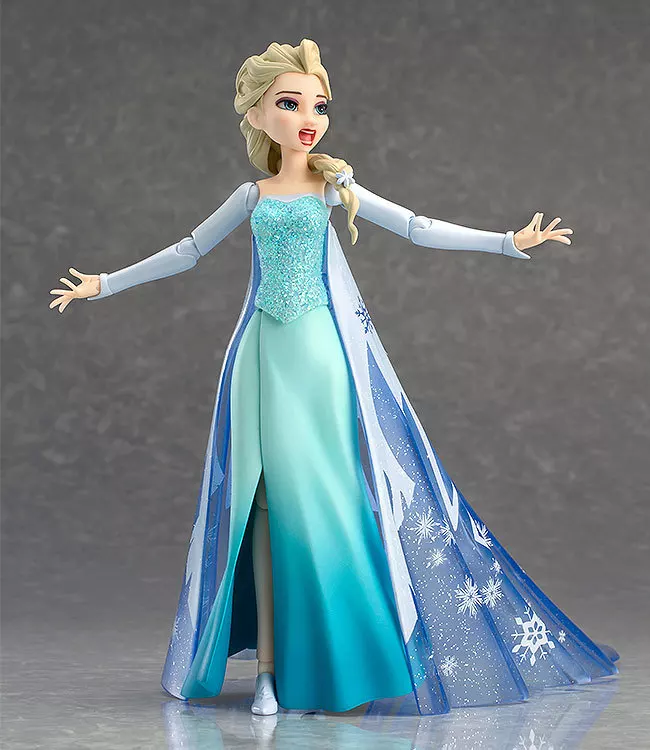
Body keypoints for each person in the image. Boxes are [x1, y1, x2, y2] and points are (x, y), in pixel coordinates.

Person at [50, 39, 617, 717]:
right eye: (289, 104)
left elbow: (415, 227)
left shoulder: (333, 188)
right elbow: (188, 250)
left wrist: (505, 242)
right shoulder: (252, 195)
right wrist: (105, 283)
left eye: (318, 105)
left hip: (320, 360)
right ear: (256, 116)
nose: (308, 118)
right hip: (260, 358)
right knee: (258, 505)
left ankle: (338, 662)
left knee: (324, 502)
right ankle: (268, 671)